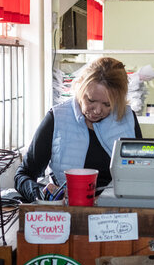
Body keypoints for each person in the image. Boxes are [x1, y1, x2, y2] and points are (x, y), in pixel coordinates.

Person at [14, 57, 142, 202]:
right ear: (79, 87)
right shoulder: (57, 118)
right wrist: (39, 193)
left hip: (115, 211)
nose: (97, 110)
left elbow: (141, 176)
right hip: (68, 210)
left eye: (107, 104)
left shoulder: (127, 119)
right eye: (91, 100)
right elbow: (23, 175)